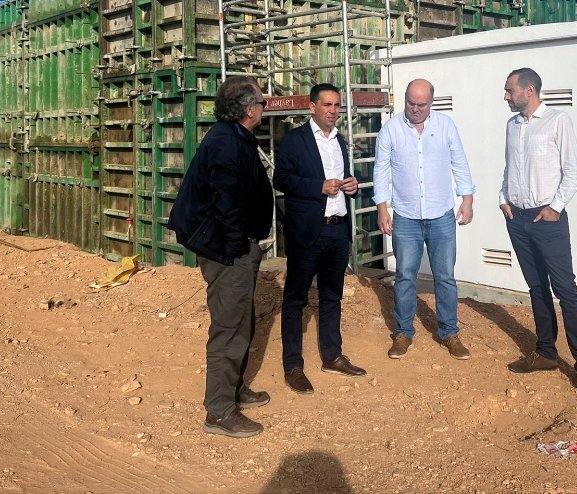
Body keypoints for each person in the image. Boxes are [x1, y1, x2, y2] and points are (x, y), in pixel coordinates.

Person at [167, 76, 275, 437]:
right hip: (229, 252)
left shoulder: (234, 137)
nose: (265, 106)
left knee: (241, 321)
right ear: (248, 110)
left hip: (236, 248)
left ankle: (235, 390)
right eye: (262, 102)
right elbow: (227, 201)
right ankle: (219, 411)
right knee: (228, 328)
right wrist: (237, 249)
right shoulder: (227, 143)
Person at [498, 67, 577, 401]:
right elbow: (509, 167)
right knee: (536, 287)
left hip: (548, 219)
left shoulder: (558, 121)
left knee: (565, 290)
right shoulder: (511, 126)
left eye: (509, 90)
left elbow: (573, 170)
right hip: (518, 218)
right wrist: (503, 198)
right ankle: (544, 352)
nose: (505, 96)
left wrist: (556, 206)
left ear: (529, 91)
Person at [273, 83, 366, 394]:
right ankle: (293, 366)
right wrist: (318, 187)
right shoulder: (295, 140)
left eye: (337, 105)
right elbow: (281, 178)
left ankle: (332, 355)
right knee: (295, 299)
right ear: (312, 107)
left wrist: (352, 185)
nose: (333, 110)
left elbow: (344, 180)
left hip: (338, 230)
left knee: (332, 296)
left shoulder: (340, 141)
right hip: (308, 232)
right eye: (326, 105)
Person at [374, 78, 475, 361]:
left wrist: (467, 198)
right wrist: (382, 208)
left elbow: (460, 162)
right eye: (410, 103)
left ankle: (449, 333)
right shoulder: (391, 130)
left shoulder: (445, 127)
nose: (415, 109)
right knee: (405, 276)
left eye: (422, 104)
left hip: (441, 215)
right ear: (403, 99)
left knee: (445, 276)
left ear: (431, 103)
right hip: (405, 217)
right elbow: (380, 171)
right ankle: (403, 332)